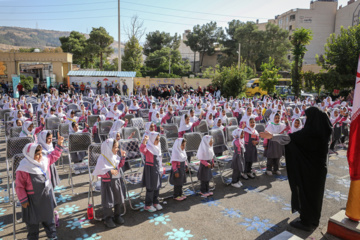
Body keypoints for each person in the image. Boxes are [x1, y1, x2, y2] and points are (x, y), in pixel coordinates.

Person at [260, 107, 332, 232]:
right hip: (319, 170)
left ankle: (306, 222)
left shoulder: (309, 133)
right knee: (316, 196)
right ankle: (314, 220)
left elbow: (290, 139)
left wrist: (272, 136)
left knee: (307, 193)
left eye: (308, 118)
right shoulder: (324, 131)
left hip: (310, 172)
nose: (306, 120)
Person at [15, 134, 64, 240]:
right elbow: (19, 186)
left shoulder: (44, 161)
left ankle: (52, 236)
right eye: (37, 154)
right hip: (32, 201)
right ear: (29, 155)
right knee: (33, 224)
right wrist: (23, 200)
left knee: (49, 220)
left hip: (46, 197)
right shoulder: (23, 168)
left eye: (41, 153)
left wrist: (59, 145)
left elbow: (54, 156)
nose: (40, 156)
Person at [92, 138, 127, 228]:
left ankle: (117, 215)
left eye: (117, 147)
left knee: (118, 199)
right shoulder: (102, 159)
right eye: (115, 147)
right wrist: (109, 172)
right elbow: (100, 173)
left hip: (116, 181)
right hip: (107, 184)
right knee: (108, 202)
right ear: (108, 148)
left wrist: (122, 157)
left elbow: (119, 165)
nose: (117, 149)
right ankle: (108, 218)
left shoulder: (115, 157)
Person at [140, 133, 163, 212]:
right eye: (156, 139)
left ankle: (155, 202)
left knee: (157, 186)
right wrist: (144, 141)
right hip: (150, 170)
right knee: (150, 187)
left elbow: (160, 159)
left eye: (158, 139)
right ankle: (148, 205)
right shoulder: (148, 148)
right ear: (152, 139)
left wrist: (161, 168)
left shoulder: (158, 147)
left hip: (157, 169)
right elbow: (142, 149)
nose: (158, 141)